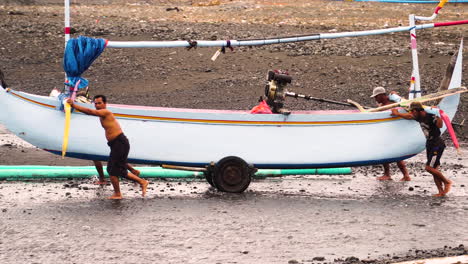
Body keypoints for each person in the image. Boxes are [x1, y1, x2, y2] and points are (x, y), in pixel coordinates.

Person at [66, 95, 148, 199]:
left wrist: (74, 105)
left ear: (105, 104)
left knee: (112, 170)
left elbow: (90, 112)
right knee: (116, 169)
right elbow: (89, 111)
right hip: (116, 144)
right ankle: (139, 180)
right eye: (95, 103)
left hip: (119, 142)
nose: (97, 105)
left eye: (99, 103)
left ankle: (121, 192)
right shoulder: (101, 114)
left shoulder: (105, 112)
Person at [391, 101, 452, 197]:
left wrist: (438, 116)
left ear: (417, 110)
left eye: (412, 111)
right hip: (430, 144)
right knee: (434, 169)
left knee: (429, 168)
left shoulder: (431, 116)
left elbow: (440, 125)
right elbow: (408, 116)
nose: (411, 113)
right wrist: (397, 113)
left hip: (437, 144)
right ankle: (441, 192)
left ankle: (447, 182)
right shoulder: (418, 117)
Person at [370, 86, 411, 181]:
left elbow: (405, 106)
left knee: (393, 154)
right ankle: (395, 174)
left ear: (381, 95)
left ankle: (402, 175)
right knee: (388, 154)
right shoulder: (382, 106)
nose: (375, 99)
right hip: (386, 132)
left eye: (376, 97)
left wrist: (396, 96)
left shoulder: (393, 103)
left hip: (395, 132)